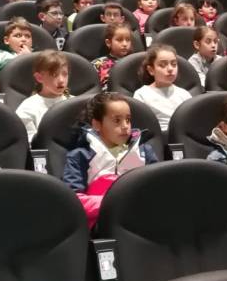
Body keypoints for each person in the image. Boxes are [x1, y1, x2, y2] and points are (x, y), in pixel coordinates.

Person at [63, 93, 158, 228]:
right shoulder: (80, 156)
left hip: (143, 221)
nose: (125, 126)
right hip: (101, 224)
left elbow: (157, 188)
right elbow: (73, 200)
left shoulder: (144, 152)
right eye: (117, 120)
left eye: (128, 119)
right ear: (97, 124)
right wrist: (116, 204)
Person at [133, 44, 191, 132]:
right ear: (151, 70)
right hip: (156, 137)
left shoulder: (185, 94)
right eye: (163, 65)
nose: (170, 69)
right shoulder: (141, 95)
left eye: (174, 64)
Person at [15, 50, 71, 142]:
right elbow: (30, 143)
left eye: (65, 74)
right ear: (39, 77)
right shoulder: (27, 108)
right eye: (54, 75)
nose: (61, 80)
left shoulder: (75, 103)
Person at [0, 18, 33, 92]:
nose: (24, 39)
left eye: (27, 36)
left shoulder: (39, 57)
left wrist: (29, 58)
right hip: (7, 92)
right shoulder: (0, 55)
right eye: (18, 35)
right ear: (6, 40)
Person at [92, 23, 134, 91]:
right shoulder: (98, 64)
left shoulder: (135, 63)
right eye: (119, 40)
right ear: (108, 43)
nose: (125, 44)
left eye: (128, 40)